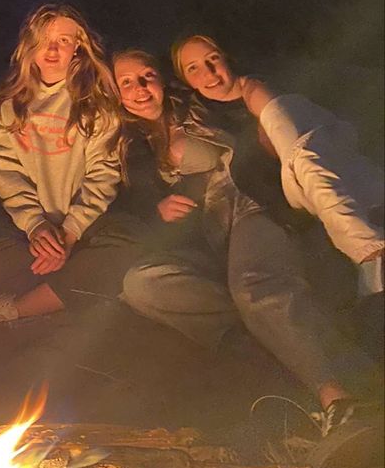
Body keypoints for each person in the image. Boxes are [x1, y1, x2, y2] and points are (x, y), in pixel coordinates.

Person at [116, 49, 377, 431]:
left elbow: (262, 109)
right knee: (141, 284)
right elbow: (132, 202)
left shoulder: (202, 103)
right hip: (211, 234)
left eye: (147, 76)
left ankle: (343, 397)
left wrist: (266, 128)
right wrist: (158, 208)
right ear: (115, 94)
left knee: (255, 286)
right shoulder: (131, 146)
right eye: (126, 82)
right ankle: (280, 337)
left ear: (162, 78)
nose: (140, 89)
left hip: (250, 203)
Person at [0, 3, 136, 332]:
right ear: (28, 44)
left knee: (128, 246)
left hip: (84, 230)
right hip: (26, 231)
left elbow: (102, 176)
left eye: (64, 41)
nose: (52, 49)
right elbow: (6, 173)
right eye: (45, 39)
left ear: (78, 46)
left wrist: (68, 234)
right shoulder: (4, 104)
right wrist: (36, 226)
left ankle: (10, 310)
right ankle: (75, 291)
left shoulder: (97, 105)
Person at [171, 34, 384, 299]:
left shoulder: (260, 91)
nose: (209, 73)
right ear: (186, 80)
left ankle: (370, 254)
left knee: (300, 153)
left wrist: (269, 117)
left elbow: (305, 151)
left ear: (227, 58)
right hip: (294, 196)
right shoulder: (198, 118)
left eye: (213, 59)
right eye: (194, 68)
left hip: (319, 167)